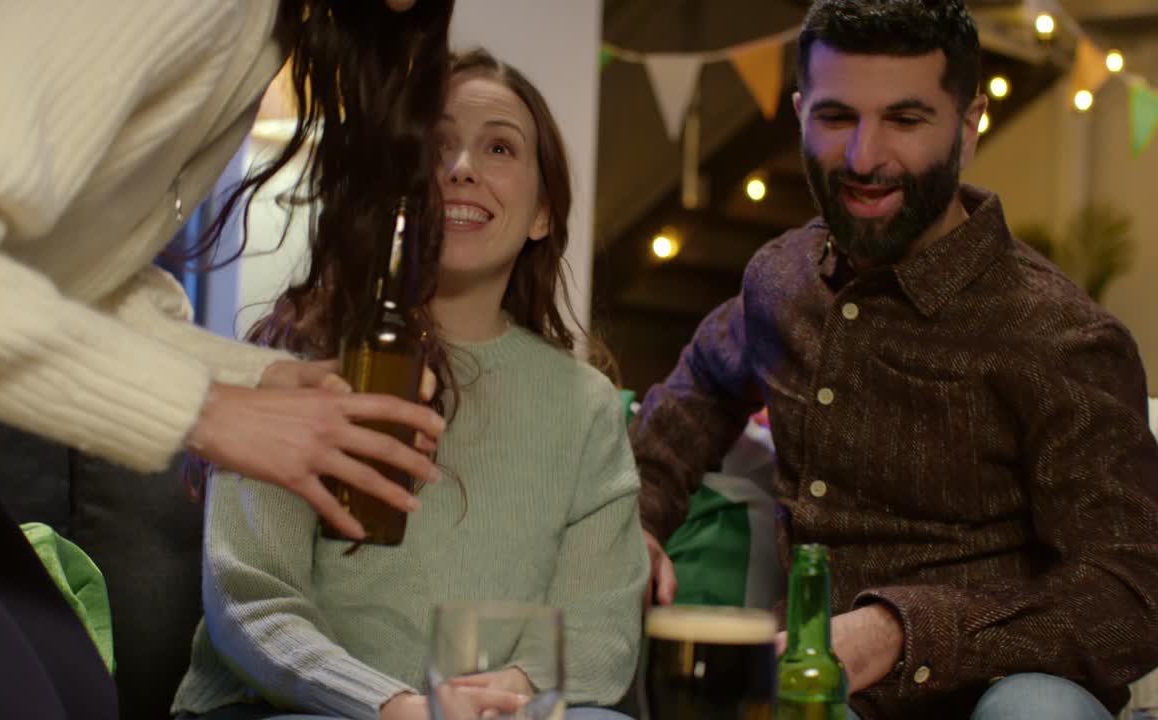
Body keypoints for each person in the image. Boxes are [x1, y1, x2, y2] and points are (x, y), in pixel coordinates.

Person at [0, 2, 456, 717]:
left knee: (76, 688)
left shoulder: (268, 28)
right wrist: (210, 412)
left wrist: (264, 378)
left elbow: (70, 279)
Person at [629, 1, 1158, 719]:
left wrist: (900, 631)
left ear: (968, 128)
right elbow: (694, 395)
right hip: (823, 694)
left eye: (905, 121)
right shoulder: (781, 281)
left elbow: (1131, 594)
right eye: (837, 117)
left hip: (1010, 690)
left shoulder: (1059, 334)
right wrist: (639, 519)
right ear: (799, 113)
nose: (863, 157)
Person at [170, 48, 648, 720]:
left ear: (543, 213)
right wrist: (395, 706)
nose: (461, 169)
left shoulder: (587, 406)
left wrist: (501, 695)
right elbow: (253, 603)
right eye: (437, 144)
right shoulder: (296, 364)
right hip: (292, 707)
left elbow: (600, 625)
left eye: (500, 149)